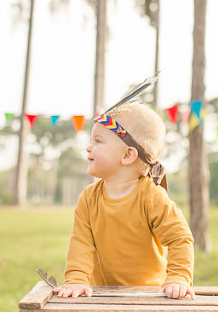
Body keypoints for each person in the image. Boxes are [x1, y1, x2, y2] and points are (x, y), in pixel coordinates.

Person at [55, 100, 195, 300]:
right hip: (101, 294)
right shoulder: (89, 198)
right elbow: (81, 243)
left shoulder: (151, 197)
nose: (88, 148)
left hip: (150, 295)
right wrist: (77, 279)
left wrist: (178, 277)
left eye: (98, 141)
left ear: (128, 155)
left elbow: (179, 238)